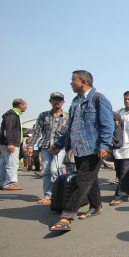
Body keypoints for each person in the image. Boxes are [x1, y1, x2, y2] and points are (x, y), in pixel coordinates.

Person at [48, 70, 114, 231]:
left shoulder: (98, 99)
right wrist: (60, 143)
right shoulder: (75, 101)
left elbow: (108, 125)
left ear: (83, 82)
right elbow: (72, 127)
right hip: (78, 149)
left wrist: (104, 145)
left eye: (73, 80)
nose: (71, 83)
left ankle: (67, 216)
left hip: (93, 149)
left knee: (82, 181)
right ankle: (96, 206)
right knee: (89, 180)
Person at [28, 92, 69, 205]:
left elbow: (70, 133)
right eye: (55, 100)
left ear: (63, 102)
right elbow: (36, 131)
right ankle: (48, 195)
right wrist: (31, 145)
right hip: (45, 146)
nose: (57, 102)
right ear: (50, 101)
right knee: (46, 171)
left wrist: (71, 147)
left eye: (59, 100)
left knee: (54, 170)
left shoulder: (67, 116)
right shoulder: (43, 115)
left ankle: (57, 193)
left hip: (60, 147)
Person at [0, 98, 28, 191]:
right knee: (12, 164)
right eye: (25, 105)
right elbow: (7, 130)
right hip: (10, 144)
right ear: (20, 105)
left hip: (7, 143)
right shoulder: (12, 115)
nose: (26, 106)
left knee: (2, 163)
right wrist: (10, 143)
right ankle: (10, 183)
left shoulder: (13, 115)